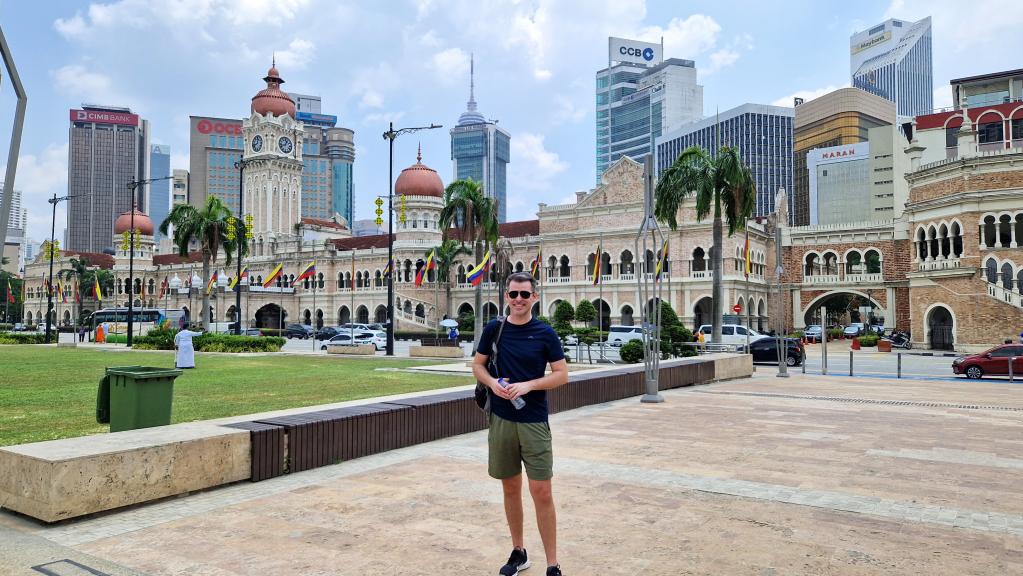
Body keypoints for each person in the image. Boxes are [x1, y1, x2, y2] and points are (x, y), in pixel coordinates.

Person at [473, 272, 569, 576]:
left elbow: (561, 374)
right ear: (506, 297)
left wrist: (528, 386)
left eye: (524, 295)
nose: (518, 299)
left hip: (533, 420)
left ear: (534, 298)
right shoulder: (494, 329)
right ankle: (519, 552)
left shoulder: (544, 333)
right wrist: (492, 382)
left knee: (542, 491)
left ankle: (552, 564)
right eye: (513, 294)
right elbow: (477, 365)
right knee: (510, 487)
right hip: (501, 419)